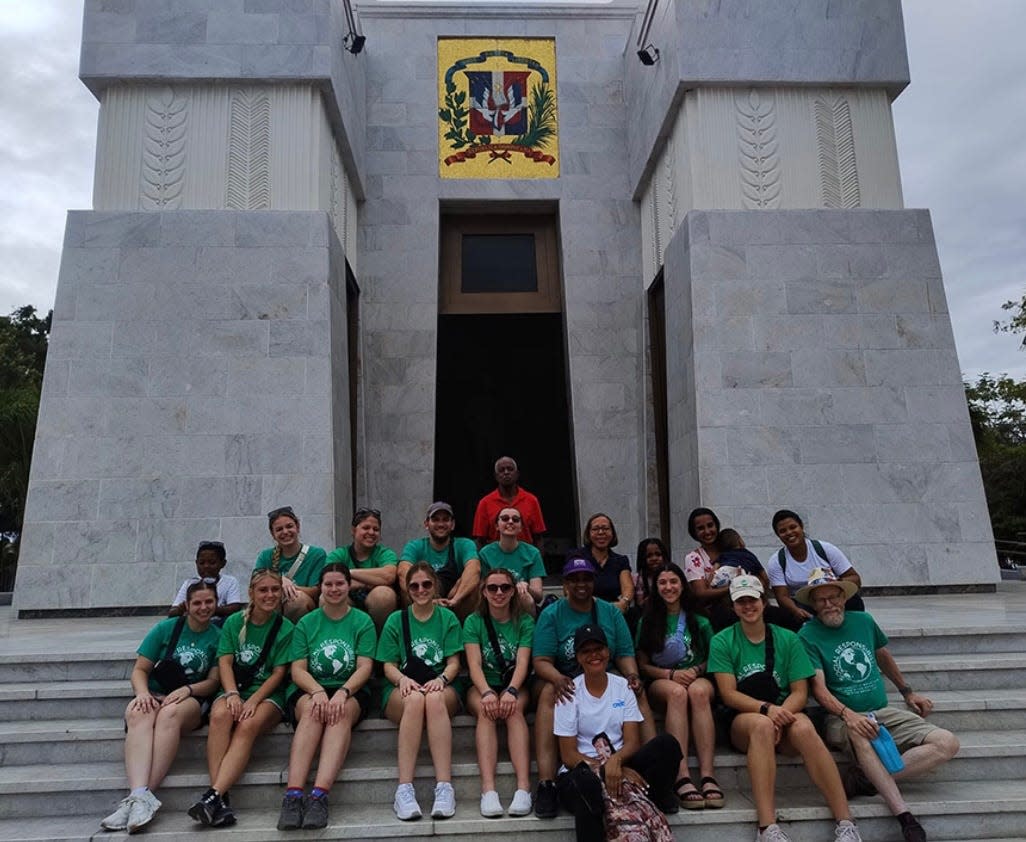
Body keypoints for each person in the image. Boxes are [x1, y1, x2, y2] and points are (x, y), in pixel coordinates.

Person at [797, 569, 959, 842]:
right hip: (840, 717)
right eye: (821, 600)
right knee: (862, 732)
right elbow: (820, 690)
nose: (828, 605)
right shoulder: (807, 635)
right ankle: (905, 817)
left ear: (843, 598)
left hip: (883, 711)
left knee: (947, 742)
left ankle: (867, 779)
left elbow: (882, 655)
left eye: (833, 597)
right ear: (813, 605)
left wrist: (907, 692)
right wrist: (849, 716)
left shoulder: (863, 621)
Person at [708, 574, 863, 842]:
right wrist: (768, 711)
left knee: (804, 726)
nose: (748, 606)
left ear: (763, 602)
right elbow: (728, 694)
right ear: (733, 606)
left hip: (785, 713)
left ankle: (846, 821)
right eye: (741, 601)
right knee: (761, 725)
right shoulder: (722, 641)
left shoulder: (787, 639)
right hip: (746, 719)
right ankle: (767, 827)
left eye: (753, 600)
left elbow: (800, 692)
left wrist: (780, 717)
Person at [531, 557, 653, 819]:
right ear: (565, 585)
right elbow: (541, 660)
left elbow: (624, 653)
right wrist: (557, 678)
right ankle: (546, 783)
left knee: (635, 689)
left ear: (593, 581)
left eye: (586, 578)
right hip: (563, 675)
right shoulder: (552, 614)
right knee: (549, 694)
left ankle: (649, 768)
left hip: (602, 671)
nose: (581, 584)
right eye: (574, 579)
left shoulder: (610, 612)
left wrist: (632, 675)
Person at [101, 580, 222, 833]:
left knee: (169, 714)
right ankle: (138, 797)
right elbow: (140, 670)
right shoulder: (165, 629)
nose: (203, 607)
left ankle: (141, 796)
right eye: (197, 603)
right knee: (138, 712)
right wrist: (143, 694)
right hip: (156, 692)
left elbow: (212, 682)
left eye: (209, 602)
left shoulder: (218, 636)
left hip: (190, 698)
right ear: (187, 605)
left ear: (216, 603)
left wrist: (187, 690)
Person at [553, 624, 681, 842]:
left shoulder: (622, 686)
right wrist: (607, 769)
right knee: (587, 784)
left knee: (667, 745)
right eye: (586, 651)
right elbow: (568, 755)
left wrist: (618, 763)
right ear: (578, 657)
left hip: (621, 762)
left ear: (608, 652)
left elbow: (632, 741)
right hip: (583, 770)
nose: (594, 655)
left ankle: (653, 797)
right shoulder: (570, 692)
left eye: (599, 649)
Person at [188, 569, 294, 828]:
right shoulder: (235, 622)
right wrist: (233, 694)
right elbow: (225, 661)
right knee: (221, 714)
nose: (269, 595)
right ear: (251, 593)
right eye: (263, 590)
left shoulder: (285, 628)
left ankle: (213, 796)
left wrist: (253, 700)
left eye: (274, 590)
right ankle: (219, 798)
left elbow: (279, 673)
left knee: (247, 723)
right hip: (234, 687)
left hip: (267, 693)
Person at [276, 563, 377, 830]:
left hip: (350, 689)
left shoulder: (362, 621)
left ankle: (319, 795)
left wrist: (343, 692)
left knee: (338, 713)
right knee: (311, 711)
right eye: (328, 584)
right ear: (320, 588)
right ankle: (293, 795)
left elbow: (365, 667)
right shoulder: (307, 623)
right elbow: (298, 669)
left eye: (339, 584)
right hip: (311, 687)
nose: (334, 589)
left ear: (349, 586)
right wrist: (318, 691)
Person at [376, 561, 464, 821]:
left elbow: (454, 663)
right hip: (403, 686)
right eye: (414, 585)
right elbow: (388, 664)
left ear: (435, 585)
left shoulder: (447, 617)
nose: (421, 589)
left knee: (434, 698)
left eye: (426, 584)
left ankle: (444, 787)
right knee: (414, 700)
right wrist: (402, 679)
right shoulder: (396, 619)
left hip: (440, 684)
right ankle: (404, 789)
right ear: (407, 589)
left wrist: (442, 679)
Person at [635, 562, 721, 809]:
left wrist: (695, 671)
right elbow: (641, 663)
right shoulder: (647, 620)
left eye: (673, 581)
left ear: (683, 585)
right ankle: (681, 773)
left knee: (699, 691)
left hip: (696, 676)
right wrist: (669, 674)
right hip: (662, 680)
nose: (668, 587)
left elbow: (713, 656)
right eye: (662, 582)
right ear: (655, 587)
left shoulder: (700, 620)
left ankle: (707, 774)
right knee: (677, 693)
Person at [463, 568, 535, 818]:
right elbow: (474, 665)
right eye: (492, 588)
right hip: (483, 684)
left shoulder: (524, 621)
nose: (499, 593)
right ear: (483, 592)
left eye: (505, 587)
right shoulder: (474, 621)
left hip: (514, 683)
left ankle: (524, 788)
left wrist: (511, 690)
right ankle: (488, 790)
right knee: (487, 713)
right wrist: (486, 693)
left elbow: (524, 662)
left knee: (514, 711)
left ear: (514, 590)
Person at [766, 509, 865, 625]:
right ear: (778, 535)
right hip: (805, 605)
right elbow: (782, 596)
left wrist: (835, 583)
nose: (789, 533)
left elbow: (854, 578)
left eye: (793, 527)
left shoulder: (825, 549)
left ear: (801, 527)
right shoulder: (776, 561)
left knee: (854, 601)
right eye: (783, 531)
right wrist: (796, 611)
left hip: (831, 598)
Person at [398, 501, 481, 619]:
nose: (441, 524)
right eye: (435, 519)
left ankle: (461, 629)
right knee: (407, 587)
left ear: (452, 524)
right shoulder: (415, 546)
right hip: (421, 599)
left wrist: (455, 600)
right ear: (426, 524)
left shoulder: (464, 544)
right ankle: (413, 625)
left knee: (473, 587)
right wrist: (428, 600)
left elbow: (474, 570)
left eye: (445, 519)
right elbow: (403, 572)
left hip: (454, 603)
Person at [325, 507, 398, 631]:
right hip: (348, 600)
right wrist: (372, 582)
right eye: (366, 528)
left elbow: (388, 576)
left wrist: (348, 573)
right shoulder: (338, 555)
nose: (371, 532)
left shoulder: (386, 554)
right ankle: (341, 638)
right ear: (353, 530)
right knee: (325, 598)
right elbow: (330, 580)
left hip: (375, 604)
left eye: (376, 529)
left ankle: (379, 638)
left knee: (384, 595)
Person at [254, 507, 328, 622]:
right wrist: (280, 580)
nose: (285, 532)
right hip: (274, 605)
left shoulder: (317, 554)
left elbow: (317, 591)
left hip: (304, 607)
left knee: (296, 599)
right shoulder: (265, 556)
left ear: (297, 527)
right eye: (279, 529)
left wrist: (289, 588)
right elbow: (256, 585)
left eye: (289, 526)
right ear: (273, 534)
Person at [478, 506, 546, 616]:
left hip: (521, 604)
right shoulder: (485, 553)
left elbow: (538, 596)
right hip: (495, 601)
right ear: (496, 526)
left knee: (526, 597)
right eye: (505, 518)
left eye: (515, 519)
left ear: (521, 527)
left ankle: (527, 631)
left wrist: (526, 587)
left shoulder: (533, 553)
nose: (510, 522)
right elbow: (482, 590)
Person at [472, 456, 547, 548]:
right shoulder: (485, 503)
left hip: (526, 559)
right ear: (496, 476)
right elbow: (480, 540)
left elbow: (538, 538)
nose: (506, 472)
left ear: (517, 474)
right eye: (501, 470)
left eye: (510, 469)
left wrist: (538, 561)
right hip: (495, 559)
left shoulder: (531, 500)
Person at [567, 513, 633, 613]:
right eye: (595, 529)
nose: (601, 532)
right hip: (582, 610)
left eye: (605, 528)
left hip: (613, 611)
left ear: (612, 533)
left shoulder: (620, 560)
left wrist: (624, 602)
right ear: (588, 533)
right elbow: (568, 590)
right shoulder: (576, 557)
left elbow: (628, 588)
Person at [169, 540, 242, 623]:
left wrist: (206, 610)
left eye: (212, 563)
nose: (206, 566)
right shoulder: (189, 583)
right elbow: (172, 612)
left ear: (223, 563)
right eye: (202, 563)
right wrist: (180, 609)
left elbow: (235, 608)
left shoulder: (230, 582)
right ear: (196, 563)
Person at [632, 537, 670, 613]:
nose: (654, 558)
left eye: (658, 554)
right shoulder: (637, 579)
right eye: (649, 556)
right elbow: (640, 604)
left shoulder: (671, 576)